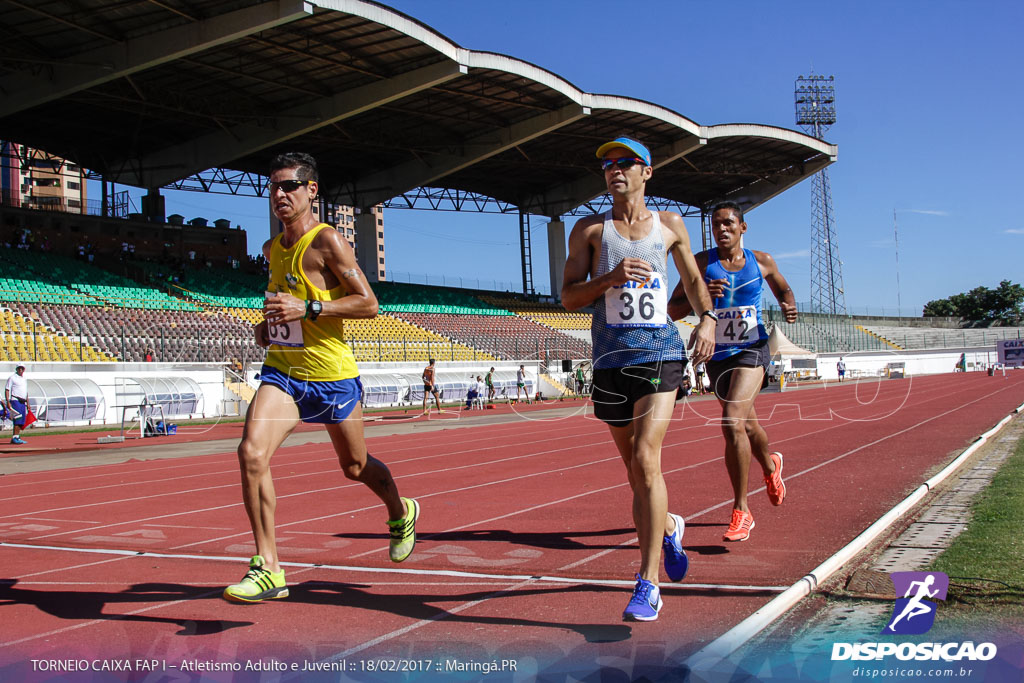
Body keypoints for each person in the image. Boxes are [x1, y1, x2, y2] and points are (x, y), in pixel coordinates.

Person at [225, 152, 419, 604]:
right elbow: (283, 307)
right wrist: (267, 326)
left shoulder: (327, 240)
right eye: (272, 187)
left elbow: (369, 304)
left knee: (355, 467)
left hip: (332, 376)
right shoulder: (272, 249)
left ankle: (400, 509)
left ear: (311, 190)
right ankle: (268, 566)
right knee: (251, 453)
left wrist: (310, 308)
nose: (279, 194)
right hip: (285, 372)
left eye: (289, 185)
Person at [562, 136, 716, 622]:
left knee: (648, 458)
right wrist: (607, 280)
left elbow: (691, 281)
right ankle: (668, 525)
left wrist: (707, 319)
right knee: (636, 471)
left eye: (625, 163)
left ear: (647, 172)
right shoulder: (588, 230)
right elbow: (567, 297)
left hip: (661, 356)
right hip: (610, 361)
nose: (614, 170)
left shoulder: (670, 227)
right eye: (607, 164)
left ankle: (647, 582)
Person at [668, 201, 796, 543]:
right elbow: (673, 307)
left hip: (753, 348)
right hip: (717, 354)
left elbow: (782, 287)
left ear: (742, 227)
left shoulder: (762, 261)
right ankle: (771, 467)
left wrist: (788, 303)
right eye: (715, 225)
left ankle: (742, 510)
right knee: (747, 424)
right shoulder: (700, 264)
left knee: (731, 421)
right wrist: (703, 295)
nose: (721, 230)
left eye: (728, 223)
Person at [5, 365, 29, 445]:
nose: (21, 370)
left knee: (22, 420)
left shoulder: (24, 379)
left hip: (23, 401)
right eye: (19, 368)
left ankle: (17, 436)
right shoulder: (12, 378)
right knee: (17, 418)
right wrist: (8, 401)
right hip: (15, 400)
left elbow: (26, 392)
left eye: (22, 368)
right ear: (17, 369)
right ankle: (15, 437)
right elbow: (7, 389)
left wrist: (28, 403)